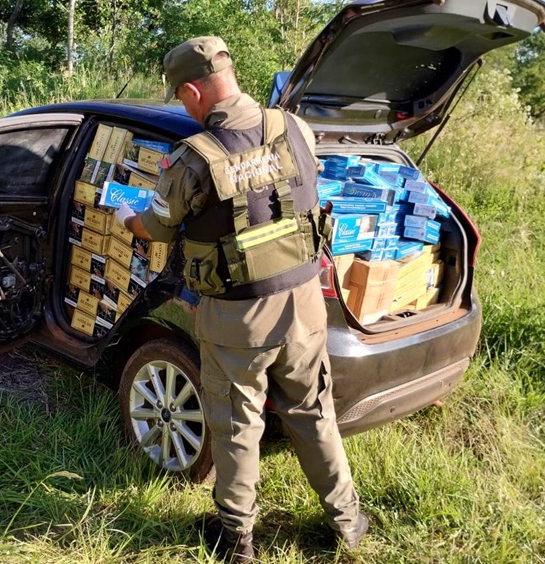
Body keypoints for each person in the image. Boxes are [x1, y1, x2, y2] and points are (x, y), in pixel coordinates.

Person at [116, 36, 367, 562]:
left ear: (192, 90)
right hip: (305, 303)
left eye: (181, 98)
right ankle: (349, 522)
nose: (183, 106)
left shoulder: (194, 159)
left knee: (235, 425)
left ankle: (237, 541)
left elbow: (157, 228)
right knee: (314, 411)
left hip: (239, 318)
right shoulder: (293, 126)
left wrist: (125, 218)